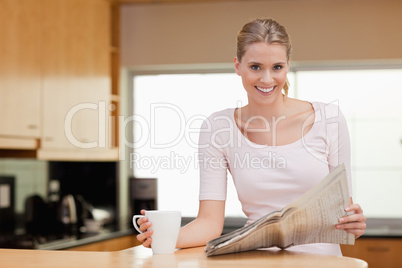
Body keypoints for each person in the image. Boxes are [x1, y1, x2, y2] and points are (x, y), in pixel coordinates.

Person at [136, 18, 366, 256]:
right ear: (238, 66)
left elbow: (344, 213)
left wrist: (353, 224)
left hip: (322, 261)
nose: (267, 79)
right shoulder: (218, 128)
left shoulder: (328, 119)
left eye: (277, 67)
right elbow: (209, 223)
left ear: (287, 65)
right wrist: (162, 235)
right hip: (257, 259)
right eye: (255, 67)